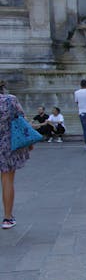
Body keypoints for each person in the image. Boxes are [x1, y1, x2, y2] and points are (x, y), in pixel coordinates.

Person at [0, 91, 31, 229]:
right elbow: (22, 119)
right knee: (7, 181)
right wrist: (29, 142)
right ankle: (7, 218)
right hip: (7, 146)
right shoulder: (10, 100)